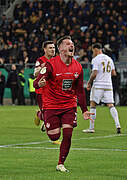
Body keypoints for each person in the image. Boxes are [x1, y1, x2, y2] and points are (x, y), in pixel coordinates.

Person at [33, 36, 93, 172]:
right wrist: (39, 83)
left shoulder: (78, 67)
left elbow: (80, 91)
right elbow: (36, 82)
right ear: (60, 49)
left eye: (72, 43)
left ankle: (60, 163)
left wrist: (84, 109)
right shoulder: (50, 64)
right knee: (54, 136)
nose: (71, 46)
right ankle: (41, 115)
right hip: (51, 105)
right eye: (67, 44)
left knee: (68, 134)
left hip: (69, 106)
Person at [82, 43, 121, 134]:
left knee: (93, 104)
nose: (93, 53)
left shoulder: (96, 59)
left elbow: (94, 73)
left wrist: (89, 82)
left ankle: (91, 128)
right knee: (111, 105)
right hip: (108, 85)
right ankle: (118, 125)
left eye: (93, 51)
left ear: (96, 50)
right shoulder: (109, 59)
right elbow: (114, 73)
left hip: (98, 85)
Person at [33, 41, 55, 129]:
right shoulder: (40, 60)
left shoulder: (56, 60)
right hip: (42, 91)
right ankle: (40, 115)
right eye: (50, 48)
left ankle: (45, 119)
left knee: (54, 113)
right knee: (47, 114)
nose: (53, 50)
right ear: (45, 49)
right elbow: (35, 74)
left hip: (53, 91)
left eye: (53, 48)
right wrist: (44, 66)